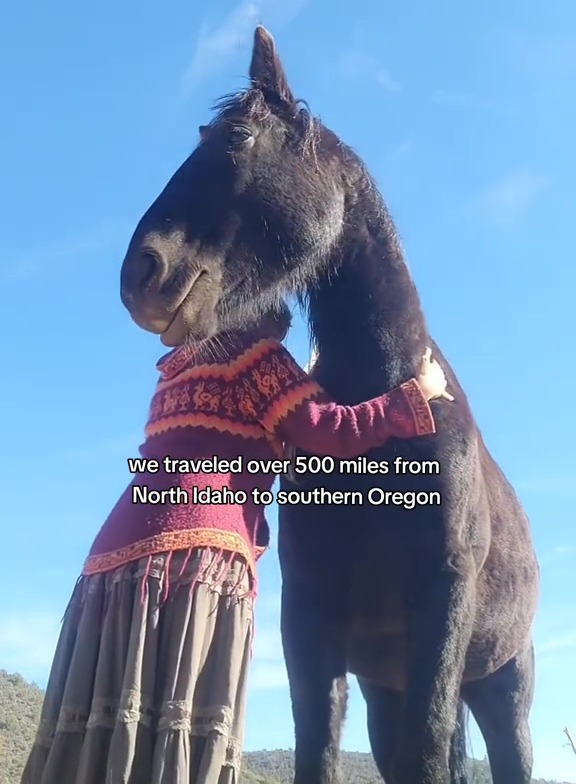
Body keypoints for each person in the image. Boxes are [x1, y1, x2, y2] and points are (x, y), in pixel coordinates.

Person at [21, 307, 453, 784]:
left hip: (112, 559)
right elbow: (331, 429)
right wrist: (418, 394)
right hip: (197, 555)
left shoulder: (180, 366)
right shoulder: (256, 357)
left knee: (105, 720)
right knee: (176, 719)